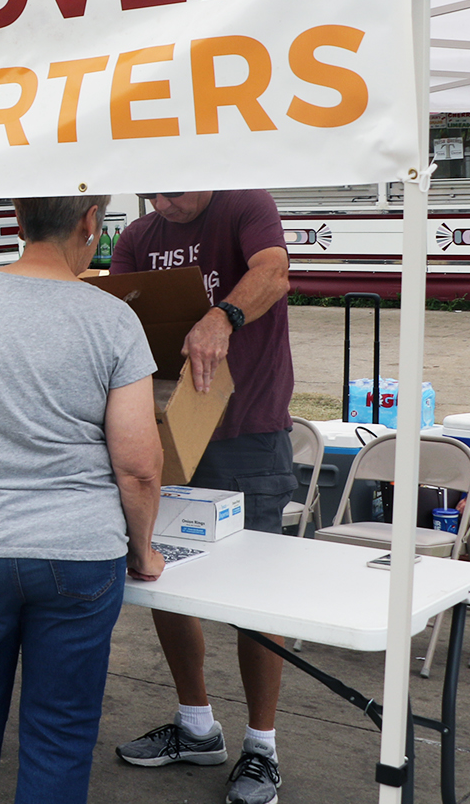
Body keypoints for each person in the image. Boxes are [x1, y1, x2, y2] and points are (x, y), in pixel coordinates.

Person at [0, 194, 163, 804]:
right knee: (60, 733)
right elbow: (138, 467)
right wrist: (144, 548)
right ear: (89, 224)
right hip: (78, 553)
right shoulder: (112, 318)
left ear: (18, 223)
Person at [109, 190, 294, 804]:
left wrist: (224, 317)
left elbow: (273, 270)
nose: (165, 201)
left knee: (258, 595)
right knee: (165, 575)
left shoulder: (245, 205)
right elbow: (117, 314)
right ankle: (195, 725)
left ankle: (262, 746)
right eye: (152, 190)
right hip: (170, 432)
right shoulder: (140, 235)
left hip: (248, 432)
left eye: (176, 187)